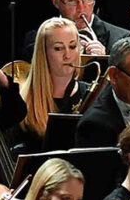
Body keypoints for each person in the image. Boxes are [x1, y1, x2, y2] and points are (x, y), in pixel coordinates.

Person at [9, 16, 92, 154]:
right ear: (44, 53)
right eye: (58, 48)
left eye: (72, 46)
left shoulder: (92, 94)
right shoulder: (23, 103)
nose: (68, 55)